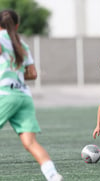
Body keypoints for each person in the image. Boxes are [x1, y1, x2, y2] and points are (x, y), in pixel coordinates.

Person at [0, 10, 63, 180]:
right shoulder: (22, 44)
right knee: (30, 143)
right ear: (17, 26)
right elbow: (32, 74)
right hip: (24, 96)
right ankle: (53, 175)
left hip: (5, 95)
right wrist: (17, 73)